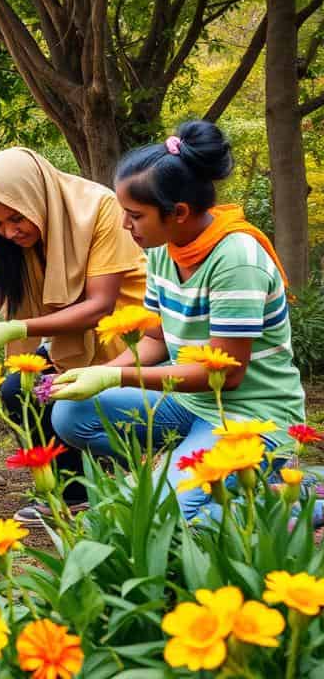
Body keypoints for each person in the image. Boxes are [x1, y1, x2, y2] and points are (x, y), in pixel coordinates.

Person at [48, 121, 304, 521]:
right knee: (71, 412)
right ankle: (180, 475)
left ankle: (296, 498)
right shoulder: (164, 250)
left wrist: (116, 378)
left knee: (163, 519)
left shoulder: (236, 260)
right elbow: (156, 341)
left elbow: (225, 375)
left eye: (135, 215)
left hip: (247, 415)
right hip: (188, 404)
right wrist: (96, 374)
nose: (124, 225)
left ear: (178, 212)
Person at [0, 148, 147, 524]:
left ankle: (128, 473)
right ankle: (72, 495)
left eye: (16, 218)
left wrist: (17, 328)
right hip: (72, 345)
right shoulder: (10, 241)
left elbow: (101, 305)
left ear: (36, 197)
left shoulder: (99, 209)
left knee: (68, 408)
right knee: (19, 391)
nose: (9, 231)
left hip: (133, 346)